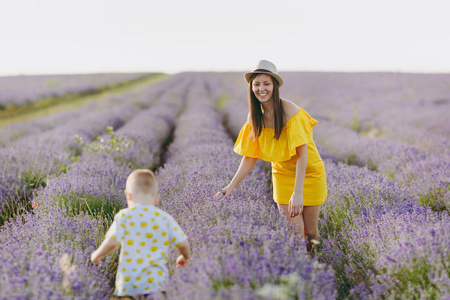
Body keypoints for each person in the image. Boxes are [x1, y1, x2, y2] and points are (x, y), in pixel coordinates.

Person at [215, 60, 327, 256]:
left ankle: (317, 264)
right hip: (283, 175)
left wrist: (298, 193)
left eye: (266, 83)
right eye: (256, 84)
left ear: (275, 86)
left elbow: (302, 154)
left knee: (310, 232)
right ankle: (305, 271)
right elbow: (250, 157)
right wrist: (230, 187)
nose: (261, 89)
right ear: (251, 87)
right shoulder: (254, 117)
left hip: (309, 173)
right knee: (296, 234)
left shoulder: (290, 111)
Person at [91, 169, 190, 299]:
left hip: (129, 285)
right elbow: (182, 243)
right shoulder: (165, 219)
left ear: (128, 196)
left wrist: (97, 255)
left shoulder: (124, 216)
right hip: (157, 285)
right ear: (156, 199)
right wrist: (184, 256)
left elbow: (113, 242)